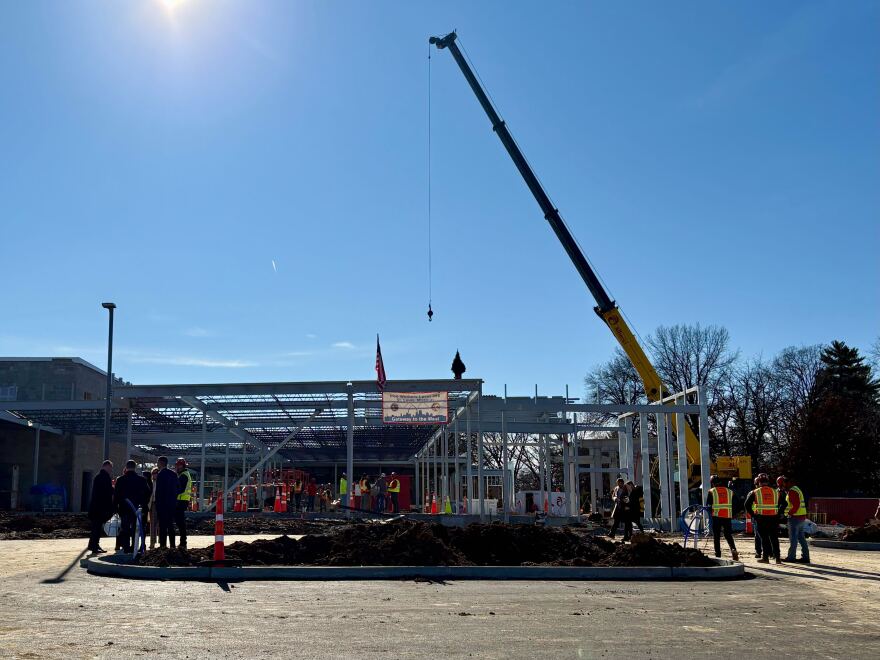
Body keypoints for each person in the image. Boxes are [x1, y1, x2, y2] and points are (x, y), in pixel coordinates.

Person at [114, 460, 150, 554]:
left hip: (124, 509)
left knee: (125, 528)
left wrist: (115, 508)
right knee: (136, 529)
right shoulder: (142, 480)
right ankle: (134, 547)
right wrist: (143, 504)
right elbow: (147, 493)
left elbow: (116, 495)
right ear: (135, 467)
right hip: (137, 509)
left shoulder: (120, 480)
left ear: (126, 467)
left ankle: (126, 548)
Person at [746, 474, 781, 564]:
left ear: (759, 482)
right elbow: (784, 503)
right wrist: (778, 513)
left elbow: (746, 504)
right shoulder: (775, 492)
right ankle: (778, 558)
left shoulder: (755, 492)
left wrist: (754, 515)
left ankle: (765, 558)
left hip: (761, 518)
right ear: (767, 482)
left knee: (764, 538)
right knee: (774, 538)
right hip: (773, 518)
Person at [706, 475, 739, 560]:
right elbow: (737, 503)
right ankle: (733, 549)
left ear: (712, 483)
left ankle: (718, 555)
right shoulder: (729, 491)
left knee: (716, 536)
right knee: (728, 535)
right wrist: (733, 513)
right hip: (727, 516)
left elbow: (708, 505)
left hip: (716, 517)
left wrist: (711, 511)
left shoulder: (711, 491)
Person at [87, 460, 115, 554]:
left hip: (95, 507)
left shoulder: (98, 476)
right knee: (97, 528)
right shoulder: (104, 477)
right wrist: (114, 488)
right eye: (110, 467)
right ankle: (94, 546)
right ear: (106, 466)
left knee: (95, 527)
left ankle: (93, 545)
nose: (111, 470)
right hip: (100, 508)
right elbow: (107, 492)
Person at [154, 456, 179, 549]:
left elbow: (159, 491)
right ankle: (172, 545)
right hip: (171, 504)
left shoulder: (160, 474)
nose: (157, 464)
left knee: (163, 526)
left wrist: (157, 504)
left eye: (158, 462)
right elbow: (178, 488)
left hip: (162, 505)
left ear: (161, 463)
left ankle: (163, 546)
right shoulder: (173, 474)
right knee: (171, 525)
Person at [784, 476, 810, 564]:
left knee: (793, 538)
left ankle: (791, 557)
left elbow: (795, 505)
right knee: (801, 538)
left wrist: (789, 514)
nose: (784, 486)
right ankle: (806, 557)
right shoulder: (796, 489)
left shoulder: (792, 491)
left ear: (788, 483)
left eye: (784, 484)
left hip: (795, 517)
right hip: (801, 517)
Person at [174, 458, 192, 550]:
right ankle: (183, 542)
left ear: (182, 466)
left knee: (180, 522)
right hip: (182, 501)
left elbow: (180, 490)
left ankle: (183, 543)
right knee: (180, 522)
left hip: (181, 501)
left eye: (178, 465)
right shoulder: (183, 474)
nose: (177, 467)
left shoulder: (183, 476)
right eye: (177, 465)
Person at [749, 476, 763, 559]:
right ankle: (768, 552)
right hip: (768, 516)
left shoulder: (753, 492)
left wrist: (753, 514)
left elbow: (747, 505)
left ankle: (759, 552)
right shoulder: (772, 491)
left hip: (757, 516)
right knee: (766, 535)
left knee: (758, 535)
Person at [148, 467, 159, 549]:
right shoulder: (150, 483)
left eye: (156, 473)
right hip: (152, 504)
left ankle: (162, 542)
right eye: (153, 473)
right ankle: (152, 542)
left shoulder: (161, 483)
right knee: (152, 525)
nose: (155, 475)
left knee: (160, 524)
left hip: (160, 504)